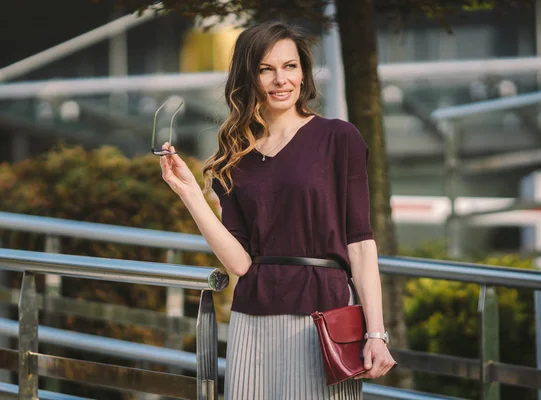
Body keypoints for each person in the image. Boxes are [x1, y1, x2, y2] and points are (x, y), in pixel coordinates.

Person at [160, 20, 396, 400]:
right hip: (251, 320)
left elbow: (360, 244)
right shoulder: (233, 159)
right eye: (265, 69)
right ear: (248, 77)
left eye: (290, 67)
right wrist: (189, 193)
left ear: (303, 74)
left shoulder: (339, 138)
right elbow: (239, 264)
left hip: (322, 317)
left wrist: (375, 334)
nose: (280, 80)